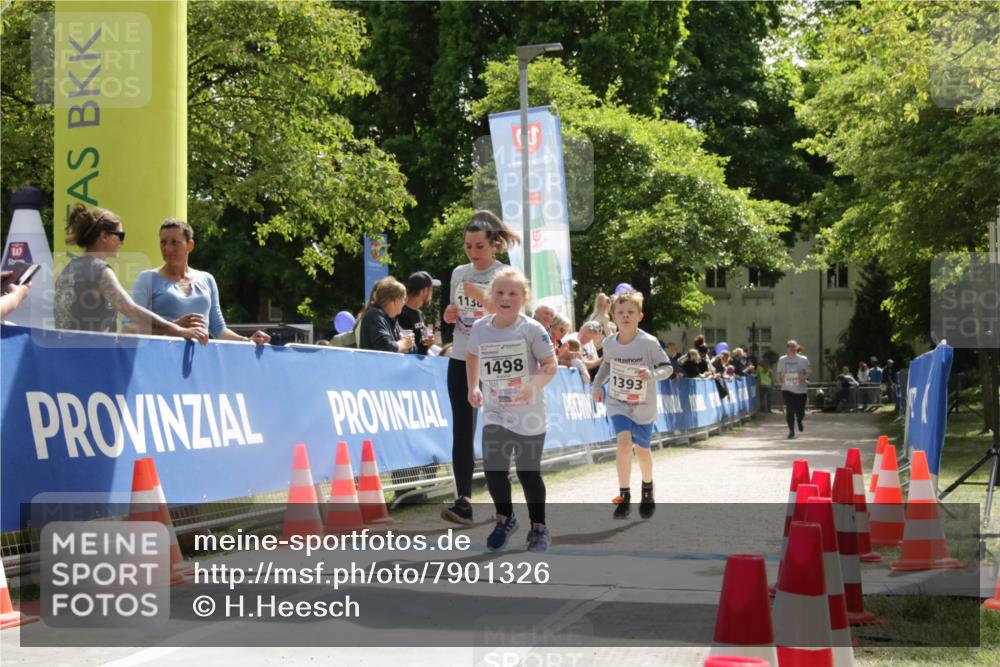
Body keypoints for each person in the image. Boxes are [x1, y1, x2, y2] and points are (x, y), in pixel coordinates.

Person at [466, 268, 557, 551]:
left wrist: (532, 386)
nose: (505, 297)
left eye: (513, 293)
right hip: (496, 410)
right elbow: (472, 355)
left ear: (524, 298)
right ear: (492, 296)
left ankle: (538, 527)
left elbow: (550, 366)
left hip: (529, 413)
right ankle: (504, 518)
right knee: (494, 470)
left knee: (528, 473)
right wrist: (474, 387)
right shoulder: (481, 328)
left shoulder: (532, 329)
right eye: (500, 292)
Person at [440, 210, 520, 525]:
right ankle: (464, 501)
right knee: (462, 429)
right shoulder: (459, 273)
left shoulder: (505, 275)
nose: (473, 253)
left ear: (494, 246)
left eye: (479, 247)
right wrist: (449, 314)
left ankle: (503, 500)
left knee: (495, 431)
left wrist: (485, 299)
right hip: (462, 355)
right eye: (468, 246)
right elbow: (457, 312)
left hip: (497, 359)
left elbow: (510, 315)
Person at [54, 205, 207, 343]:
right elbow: (131, 310)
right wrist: (178, 330)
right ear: (104, 236)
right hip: (93, 360)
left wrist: (171, 326)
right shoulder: (99, 270)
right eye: (120, 236)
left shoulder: (68, 268)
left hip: (66, 356)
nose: (122, 242)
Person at [592, 290, 673, 519]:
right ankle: (624, 496)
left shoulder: (648, 342)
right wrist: (597, 386)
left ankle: (647, 489)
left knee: (643, 450)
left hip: (642, 405)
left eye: (630, 312)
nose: (625, 316)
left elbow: (667, 368)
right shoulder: (609, 343)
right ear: (614, 317)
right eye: (620, 312)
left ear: (640, 316)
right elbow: (606, 366)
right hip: (618, 402)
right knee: (624, 444)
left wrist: (651, 373)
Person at [124, 219, 270, 344]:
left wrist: (248, 341)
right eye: (163, 242)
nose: (167, 249)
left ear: (190, 245)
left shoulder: (207, 279)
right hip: (162, 362)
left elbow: (219, 330)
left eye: (175, 242)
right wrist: (175, 328)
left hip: (200, 366)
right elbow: (128, 329)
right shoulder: (147, 279)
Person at [357, 277, 414, 353]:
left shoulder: (392, 320)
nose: (404, 303)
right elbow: (385, 347)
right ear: (395, 300)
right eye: (403, 299)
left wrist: (407, 343)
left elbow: (413, 348)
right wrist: (404, 343)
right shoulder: (374, 315)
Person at [398, 271, 440, 355]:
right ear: (424, 290)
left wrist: (428, 342)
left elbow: (421, 341)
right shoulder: (401, 313)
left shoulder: (419, 313)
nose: (432, 293)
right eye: (431, 289)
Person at [777, 339, 810, 439]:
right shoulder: (782, 359)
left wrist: (802, 378)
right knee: (790, 410)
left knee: (801, 412)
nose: (792, 349)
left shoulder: (803, 359)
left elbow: (808, 372)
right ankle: (791, 431)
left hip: (801, 390)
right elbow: (779, 373)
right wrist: (780, 380)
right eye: (790, 347)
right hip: (787, 389)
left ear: (797, 348)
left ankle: (799, 420)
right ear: (787, 348)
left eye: (793, 346)